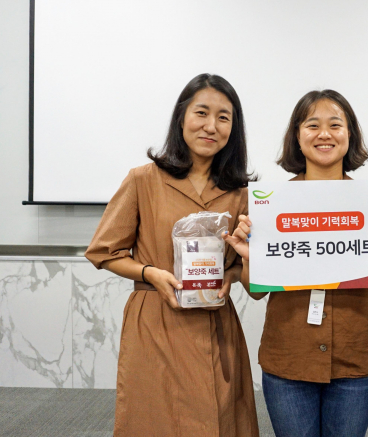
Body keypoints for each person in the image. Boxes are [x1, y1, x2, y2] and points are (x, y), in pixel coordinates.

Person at [224, 90, 368, 437]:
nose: (324, 134)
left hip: (354, 358)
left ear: (350, 134)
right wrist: (251, 258)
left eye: (335, 125)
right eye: (312, 125)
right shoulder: (270, 204)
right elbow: (256, 292)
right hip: (289, 358)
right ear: (297, 136)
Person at [85, 74, 259, 436]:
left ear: (233, 128)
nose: (211, 126)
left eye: (224, 118)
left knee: (220, 419)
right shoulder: (143, 179)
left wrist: (229, 277)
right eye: (201, 113)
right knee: (155, 419)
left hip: (215, 321)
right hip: (157, 319)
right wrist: (150, 273)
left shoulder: (240, 193)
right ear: (181, 118)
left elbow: (242, 263)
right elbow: (104, 251)